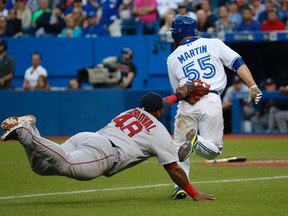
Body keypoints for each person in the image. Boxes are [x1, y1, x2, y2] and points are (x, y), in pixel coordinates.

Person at [0, 90, 216, 202]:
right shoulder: (159, 133)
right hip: (104, 153)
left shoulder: (131, 111)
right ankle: (27, 130)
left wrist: (179, 95)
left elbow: (160, 104)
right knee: (66, 163)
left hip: (87, 137)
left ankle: (28, 133)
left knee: (40, 166)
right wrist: (193, 193)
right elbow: (174, 169)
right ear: (159, 112)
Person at [167, 15, 262, 199]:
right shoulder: (214, 43)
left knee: (178, 147)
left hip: (187, 103)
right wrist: (252, 85)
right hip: (210, 99)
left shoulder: (172, 57)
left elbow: (177, 89)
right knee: (213, 151)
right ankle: (196, 142)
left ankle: (180, 187)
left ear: (178, 33)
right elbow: (237, 63)